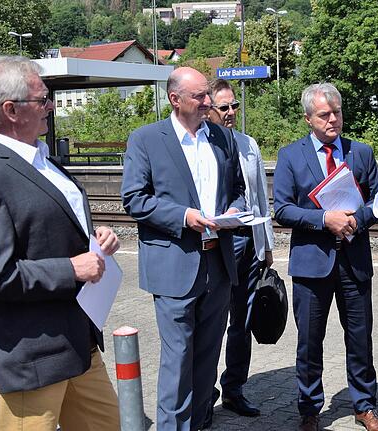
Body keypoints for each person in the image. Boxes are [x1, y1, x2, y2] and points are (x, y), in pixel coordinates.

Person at [0, 56, 121, 431]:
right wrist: (71, 268)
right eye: (42, 99)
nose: (50, 105)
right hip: (34, 355)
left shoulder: (44, 161)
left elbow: (54, 230)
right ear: (11, 110)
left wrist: (96, 242)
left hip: (79, 342)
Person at [121, 66, 246, 430]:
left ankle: (200, 422)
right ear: (175, 100)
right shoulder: (146, 139)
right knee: (177, 360)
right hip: (175, 265)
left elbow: (236, 188)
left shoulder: (223, 139)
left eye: (208, 95)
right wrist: (184, 215)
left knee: (207, 358)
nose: (209, 102)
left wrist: (235, 208)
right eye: (200, 97)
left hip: (218, 264)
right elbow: (134, 199)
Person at [274, 83, 378, 431]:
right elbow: (283, 209)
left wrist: (355, 220)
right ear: (309, 118)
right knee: (310, 341)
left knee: (360, 337)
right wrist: (325, 220)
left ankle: (364, 406)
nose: (333, 119)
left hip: (354, 261)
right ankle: (309, 410)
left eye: (337, 112)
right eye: (324, 115)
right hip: (312, 264)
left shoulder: (361, 153)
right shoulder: (290, 156)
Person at [207, 79, 274, 417]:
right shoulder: (202, 145)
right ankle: (205, 395)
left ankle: (234, 388)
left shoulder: (249, 144)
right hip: (218, 245)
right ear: (209, 108)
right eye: (224, 107)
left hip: (248, 241)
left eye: (234, 105)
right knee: (212, 321)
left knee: (242, 321)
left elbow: (260, 195)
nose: (232, 112)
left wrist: (267, 245)